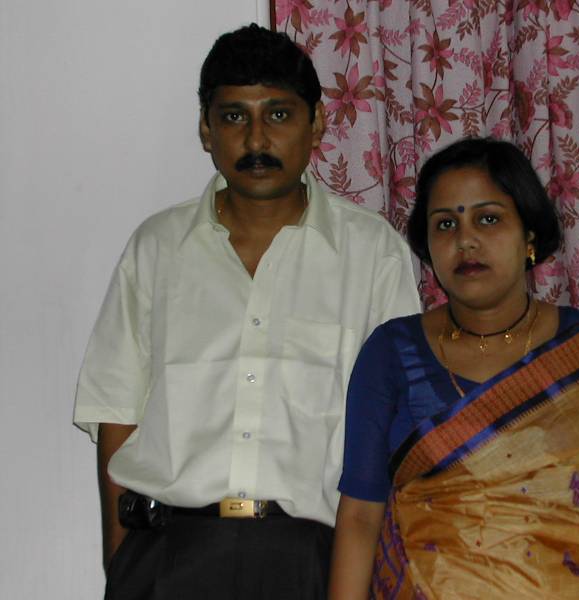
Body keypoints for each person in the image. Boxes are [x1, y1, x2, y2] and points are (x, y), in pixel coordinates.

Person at [73, 24, 420, 600]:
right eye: (234, 117)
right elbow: (115, 410)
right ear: (206, 129)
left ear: (317, 123)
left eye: (278, 115)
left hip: (313, 560)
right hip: (168, 555)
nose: (256, 139)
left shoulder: (373, 253)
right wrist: (123, 562)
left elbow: (395, 429)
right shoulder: (157, 248)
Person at [329, 137, 579, 599]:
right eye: (445, 224)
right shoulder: (391, 350)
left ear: (529, 235)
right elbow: (360, 516)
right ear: (428, 246)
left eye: (488, 219)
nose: (465, 240)